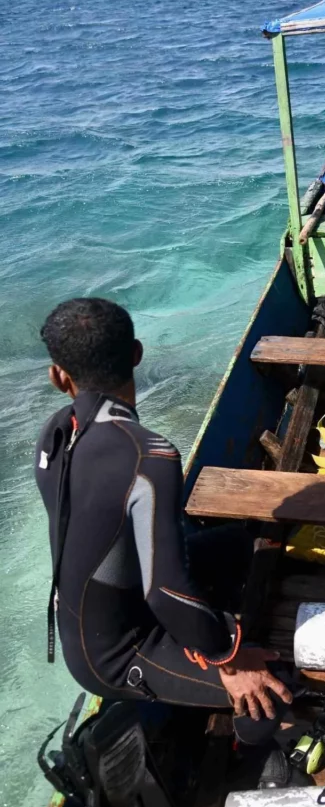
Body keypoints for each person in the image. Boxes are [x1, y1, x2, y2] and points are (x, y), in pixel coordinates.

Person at [34, 297, 292, 721]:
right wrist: (228, 655)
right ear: (137, 354)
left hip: (97, 609)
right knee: (273, 687)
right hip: (115, 652)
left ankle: (205, 634)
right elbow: (165, 593)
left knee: (237, 545)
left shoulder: (54, 434)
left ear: (58, 377)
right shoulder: (148, 456)